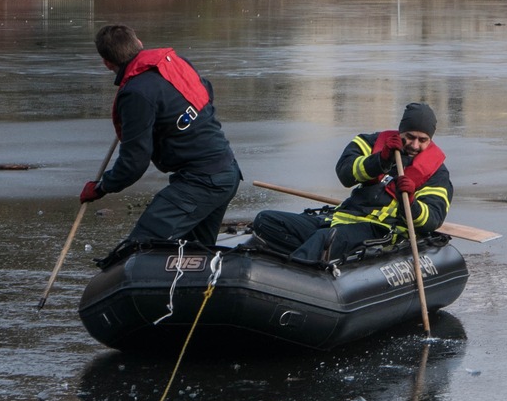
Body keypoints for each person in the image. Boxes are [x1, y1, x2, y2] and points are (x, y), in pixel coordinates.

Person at [80, 24, 241, 249]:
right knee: (196, 254)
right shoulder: (176, 63)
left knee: (139, 249)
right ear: (139, 43)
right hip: (227, 171)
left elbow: (134, 164)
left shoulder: (136, 94)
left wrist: (101, 187)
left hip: (202, 182)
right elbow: (206, 94)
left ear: (107, 63)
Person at [251, 102, 452, 265]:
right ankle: (311, 259)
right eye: (410, 137)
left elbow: (432, 220)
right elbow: (345, 173)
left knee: (323, 239)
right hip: (340, 218)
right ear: (401, 131)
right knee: (266, 220)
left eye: (422, 140)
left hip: (379, 229)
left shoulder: (437, 173)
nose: (414, 145)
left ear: (430, 139)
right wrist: (381, 160)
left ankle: (297, 273)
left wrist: (410, 202)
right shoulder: (372, 143)